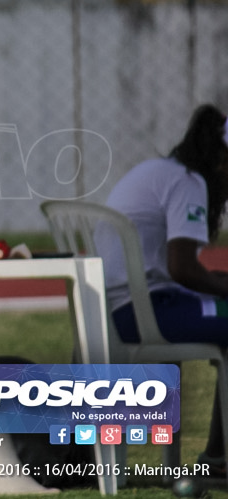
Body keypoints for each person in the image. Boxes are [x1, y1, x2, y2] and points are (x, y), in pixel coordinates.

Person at [98, 104, 228, 474]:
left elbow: (176, 266)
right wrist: (219, 286)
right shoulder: (190, 182)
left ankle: (217, 458)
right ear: (221, 159)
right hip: (150, 311)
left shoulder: (160, 172)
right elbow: (181, 269)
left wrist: (217, 282)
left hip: (119, 309)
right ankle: (218, 460)